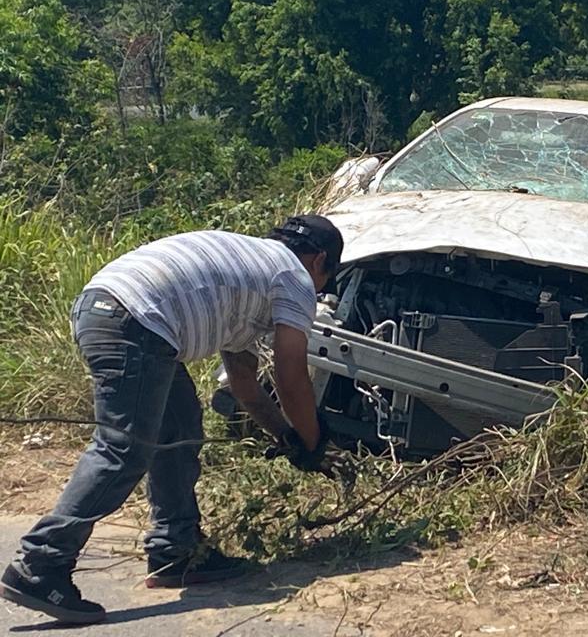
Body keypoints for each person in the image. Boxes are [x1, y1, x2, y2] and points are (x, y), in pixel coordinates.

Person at [0, 215, 343, 624]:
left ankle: (175, 550)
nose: (319, 290)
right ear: (320, 260)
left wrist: (286, 436)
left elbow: (246, 388)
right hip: (138, 322)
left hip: (111, 308)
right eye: (326, 279)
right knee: (123, 449)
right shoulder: (294, 276)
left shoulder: (252, 273)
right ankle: (41, 563)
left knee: (179, 428)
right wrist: (312, 441)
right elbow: (291, 374)